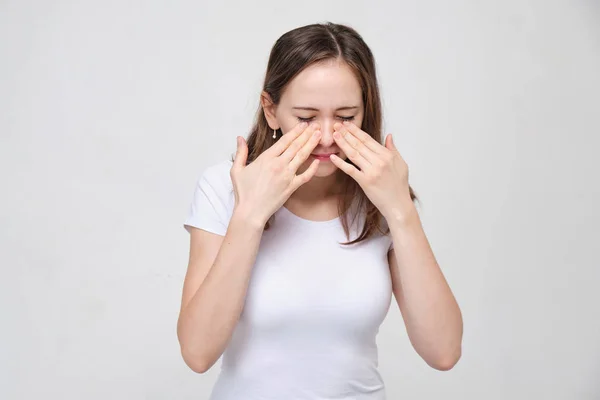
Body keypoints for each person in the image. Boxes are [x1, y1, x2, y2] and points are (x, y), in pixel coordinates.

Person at [177, 22, 463, 400]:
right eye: (307, 117)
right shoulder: (224, 189)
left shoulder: (382, 198)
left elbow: (443, 352)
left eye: (346, 116)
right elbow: (197, 353)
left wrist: (401, 212)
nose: (327, 137)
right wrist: (249, 217)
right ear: (271, 110)